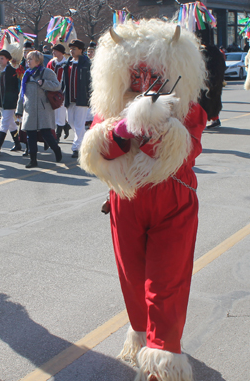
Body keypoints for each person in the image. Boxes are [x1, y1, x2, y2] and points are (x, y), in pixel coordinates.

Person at [80, 20, 207, 381]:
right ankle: (144, 339)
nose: (142, 76)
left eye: (151, 68)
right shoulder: (110, 108)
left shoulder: (188, 109)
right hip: (127, 201)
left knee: (165, 283)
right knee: (134, 282)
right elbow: (98, 152)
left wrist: (154, 127)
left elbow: (185, 151)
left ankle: (163, 364)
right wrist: (122, 128)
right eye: (135, 69)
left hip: (173, 200)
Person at [15, 50, 62, 168]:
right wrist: (19, 110)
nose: (28, 61)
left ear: (38, 61)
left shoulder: (47, 72)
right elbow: (22, 94)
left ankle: (56, 149)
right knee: (30, 136)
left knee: (46, 133)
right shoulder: (26, 74)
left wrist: (44, 83)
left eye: (30, 59)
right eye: (27, 59)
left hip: (43, 108)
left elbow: (57, 86)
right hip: (29, 109)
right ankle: (33, 160)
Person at [62, 39, 91, 158]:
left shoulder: (86, 63)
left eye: (74, 49)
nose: (72, 51)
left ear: (81, 50)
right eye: (71, 49)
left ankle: (77, 148)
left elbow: (91, 82)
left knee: (79, 124)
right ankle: (84, 141)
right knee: (71, 121)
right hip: (70, 98)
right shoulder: (68, 62)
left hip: (82, 98)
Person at [0, 49, 22, 154]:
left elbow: (16, 87)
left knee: (4, 123)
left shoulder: (12, 70)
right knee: (11, 124)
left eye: (2, 58)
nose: (0, 60)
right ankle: (18, 143)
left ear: (7, 59)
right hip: (0, 102)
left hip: (10, 102)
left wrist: (15, 100)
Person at [46, 43, 70, 141]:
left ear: (61, 52)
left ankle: (57, 135)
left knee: (61, 112)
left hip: (62, 91)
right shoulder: (51, 63)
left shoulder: (67, 63)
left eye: (55, 51)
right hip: (52, 91)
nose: (53, 52)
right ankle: (65, 126)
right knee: (54, 112)